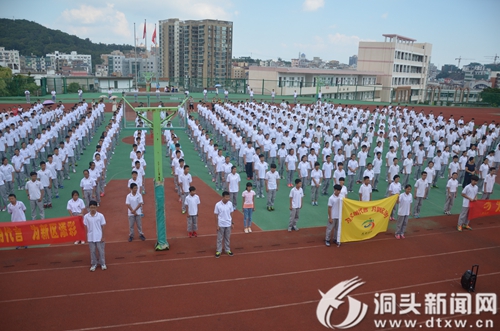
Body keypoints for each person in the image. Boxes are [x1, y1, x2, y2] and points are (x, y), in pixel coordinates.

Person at [83, 200, 107, 271]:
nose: (92, 209)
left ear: (96, 207)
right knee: (92, 251)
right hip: (90, 237)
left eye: (94, 207)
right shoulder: (86, 216)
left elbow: (103, 226)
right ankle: (94, 264)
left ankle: (102, 263)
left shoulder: (100, 216)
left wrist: (103, 236)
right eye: (91, 207)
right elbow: (85, 225)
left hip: (99, 236)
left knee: (101, 251)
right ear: (89, 208)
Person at [214, 191, 234, 258]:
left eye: (228, 197)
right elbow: (216, 215)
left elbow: (231, 213)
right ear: (223, 197)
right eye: (226, 197)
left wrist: (232, 223)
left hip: (228, 224)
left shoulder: (230, 204)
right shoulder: (217, 205)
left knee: (227, 238)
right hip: (221, 224)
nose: (228, 198)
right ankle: (219, 250)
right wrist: (217, 225)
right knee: (219, 238)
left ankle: (227, 249)